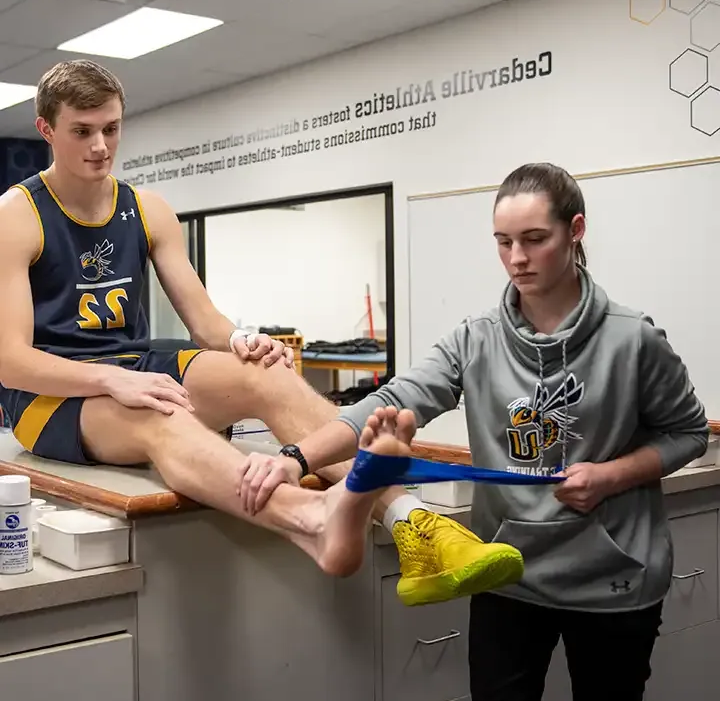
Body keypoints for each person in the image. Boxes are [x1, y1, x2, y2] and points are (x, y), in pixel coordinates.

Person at [0, 58, 526, 604]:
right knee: (160, 414)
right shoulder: (17, 216)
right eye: (82, 132)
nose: (101, 146)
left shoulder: (147, 209)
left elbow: (204, 321)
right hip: (49, 396)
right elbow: (9, 360)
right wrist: (110, 382)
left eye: (111, 128)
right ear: (46, 130)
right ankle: (313, 521)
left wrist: (239, 341)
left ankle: (412, 520)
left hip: (131, 367)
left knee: (265, 372)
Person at [238, 162, 709, 701]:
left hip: (613, 583)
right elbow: (389, 399)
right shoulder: (474, 340)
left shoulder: (633, 340)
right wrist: (295, 459)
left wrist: (611, 475)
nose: (517, 259)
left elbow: (688, 432)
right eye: (503, 242)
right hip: (506, 575)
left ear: (576, 231)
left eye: (535, 240)